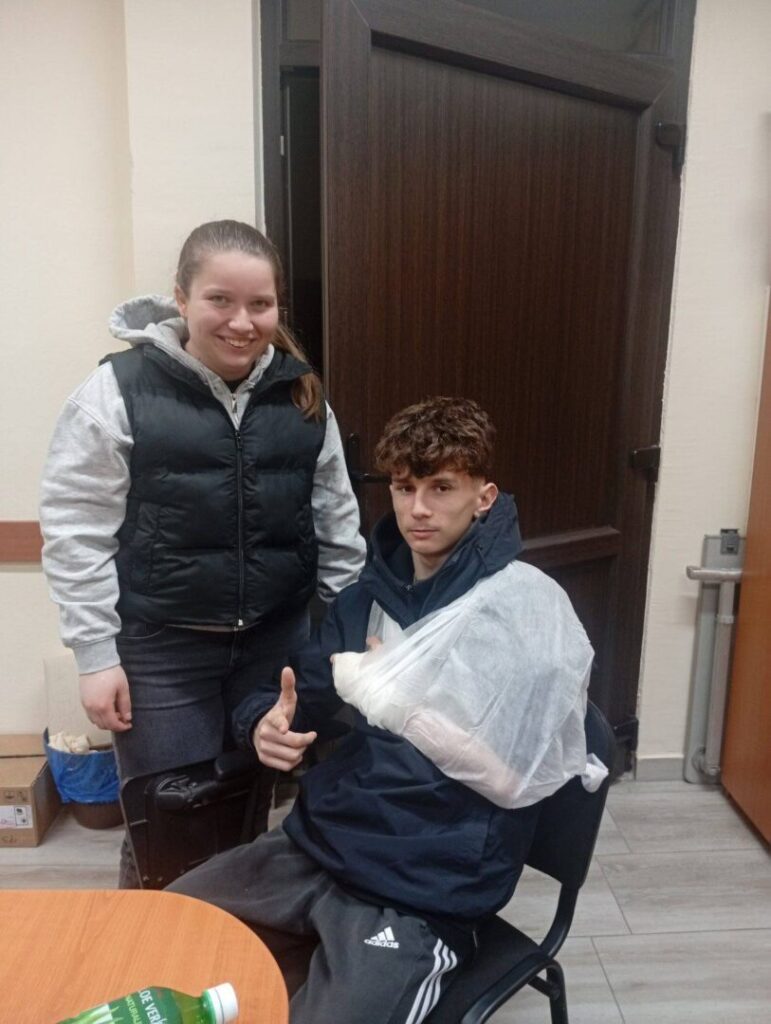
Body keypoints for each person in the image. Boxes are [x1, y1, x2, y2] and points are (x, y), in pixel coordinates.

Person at [168, 396, 600, 1024]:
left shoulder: (524, 611)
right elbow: (302, 694)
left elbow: (516, 779)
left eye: (441, 487)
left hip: (424, 887)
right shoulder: (367, 600)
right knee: (162, 927)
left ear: (483, 497)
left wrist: (398, 701)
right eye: (404, 487)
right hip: (319, 844)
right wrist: (264, 722)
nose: (418, 509)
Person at [39, 219, 366, 887]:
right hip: (162, 656)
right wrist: (95, 655)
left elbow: (338, 526)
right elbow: (76, 529)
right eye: (221, 299)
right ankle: (155, 947)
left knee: (246, 816)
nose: (242, 322)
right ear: (182, 298)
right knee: (167, 827)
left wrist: (348, 638)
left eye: (260, 304)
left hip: (273, 648)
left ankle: (230, 940)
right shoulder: (118, 391)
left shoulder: (303, 397)